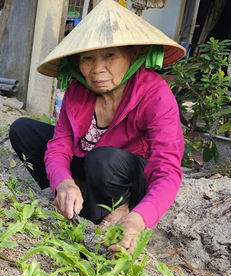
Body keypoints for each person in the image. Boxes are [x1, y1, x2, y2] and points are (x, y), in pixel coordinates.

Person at [10, 0, 186, 252]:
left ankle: (118, 210)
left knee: (104, 158)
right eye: (88, 58)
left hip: (125, 175)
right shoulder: (78, 90)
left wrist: (140, 218)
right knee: (23, 130)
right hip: (90, 165)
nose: (97, 69)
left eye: (110, 55)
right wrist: (63, 182)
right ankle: (74, 196)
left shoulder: (155, 94)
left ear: (133, 54)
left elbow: (167, 169)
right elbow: (60, 144)